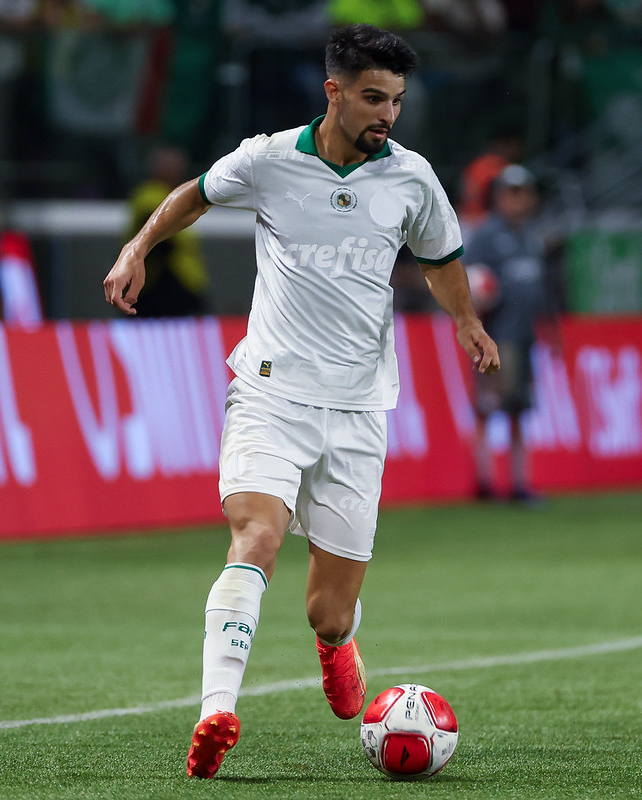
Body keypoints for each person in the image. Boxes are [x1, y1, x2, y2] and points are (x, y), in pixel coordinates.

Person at [103, 23, 500, 779]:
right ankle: (216, 708)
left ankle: (336, 644)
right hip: (270, 393)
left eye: (397, 100)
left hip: (356, 411)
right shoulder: (270, 159)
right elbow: (193, 194)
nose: (387, 113)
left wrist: (466, 321)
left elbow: (440, 258)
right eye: (373, 98)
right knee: (254, 535)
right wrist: (136, 247)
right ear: (335, 92)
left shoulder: (412, 178)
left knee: (330, 607)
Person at [464, 163, 559, 504]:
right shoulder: (488, 234)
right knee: (488, 406)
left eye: (523, 193)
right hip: (497, 335)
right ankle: (484, 480)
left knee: (518, 408)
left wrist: (551, 331)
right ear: (499, 197)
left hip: (524, 334)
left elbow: (541, 289)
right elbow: (470, 280)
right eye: (511, 193)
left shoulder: (532, 234)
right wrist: (479, 302)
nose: (517, 200)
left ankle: (518, 481)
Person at [125, 144, 210, 317]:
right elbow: (158, 236)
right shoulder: (148, 194)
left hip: (185, 281)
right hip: (158, 285)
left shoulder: (177, 193)